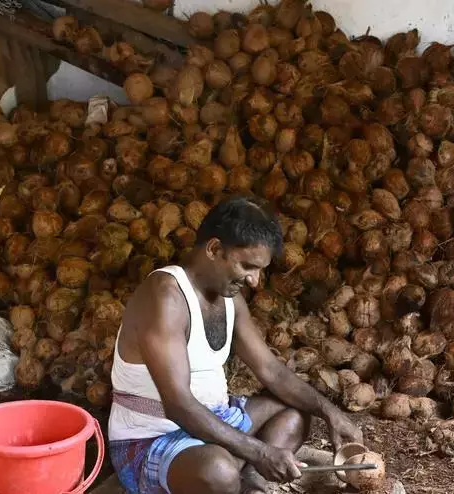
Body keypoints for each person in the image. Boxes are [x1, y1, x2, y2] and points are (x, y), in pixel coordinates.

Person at [108, 196, 363, 494]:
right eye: (247, 266)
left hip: (215, 418)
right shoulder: (165, 296)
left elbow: (272, 371)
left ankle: (251, 483)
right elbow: (178, 405)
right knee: (217, 471)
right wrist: (259, 452)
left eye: (259, 270)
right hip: (153, 438)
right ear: (215, 249)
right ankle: (233, 475)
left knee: (294, 413)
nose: (255, 281)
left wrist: (330, 411)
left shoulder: (230, 299)